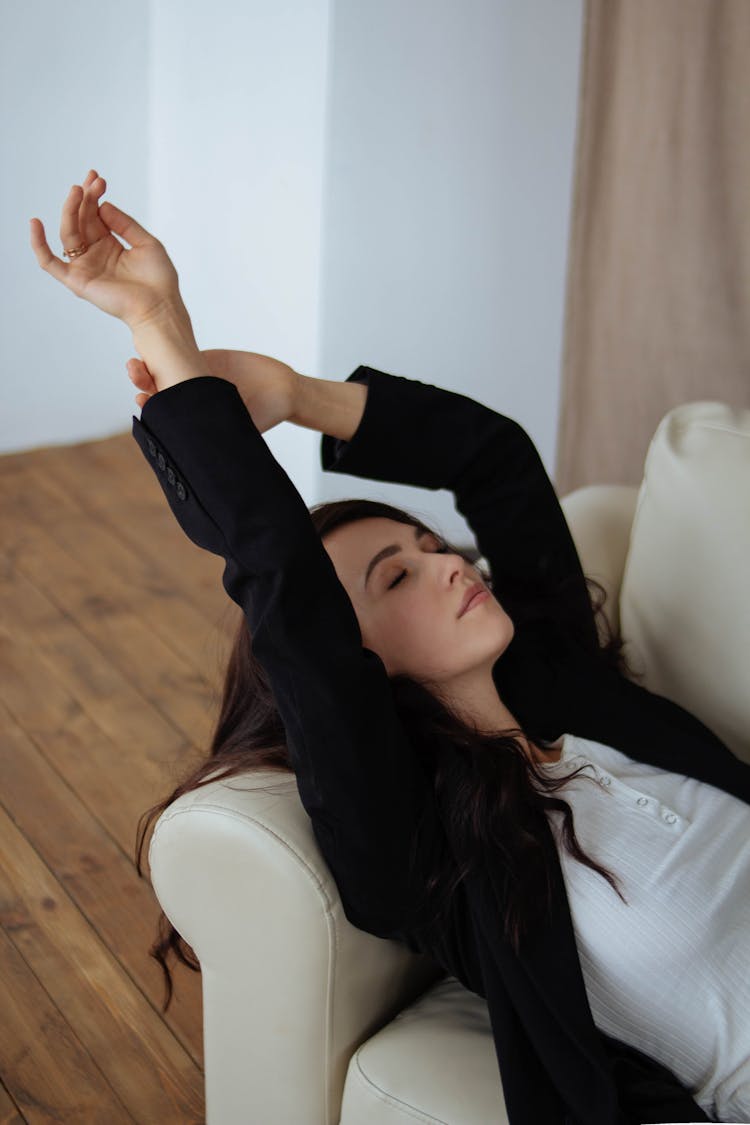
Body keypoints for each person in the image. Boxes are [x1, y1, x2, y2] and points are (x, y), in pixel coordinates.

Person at [30, 170, 750, 1125]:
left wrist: (295, 393)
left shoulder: (562, 681)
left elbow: (491, 456)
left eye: (430, 545)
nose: (449, 563)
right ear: (361, 660)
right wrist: (166, 332)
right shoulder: (432, 853)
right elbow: (284, 584)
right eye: (397, 578)